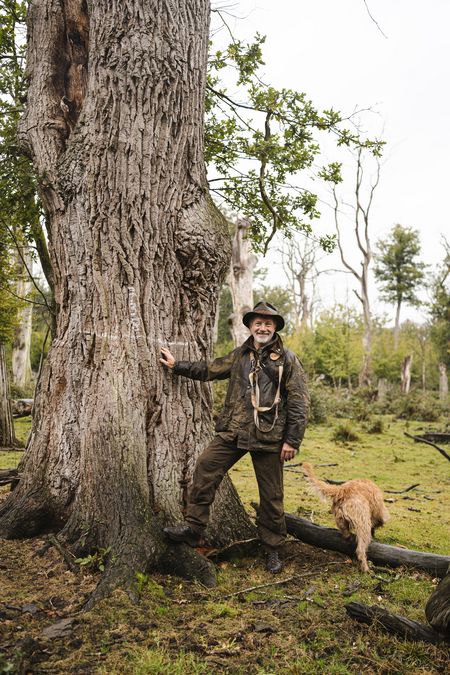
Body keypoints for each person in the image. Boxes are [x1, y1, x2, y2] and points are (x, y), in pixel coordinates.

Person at [160, 301, 309, 573]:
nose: (262, 327)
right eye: (258, 323)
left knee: (271, 495)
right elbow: (210, 370)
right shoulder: (241, 355)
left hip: (270, 436)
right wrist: (176, 365)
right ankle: (194, 529)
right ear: (251, 327)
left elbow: (299, 403)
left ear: (275, 327)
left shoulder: (288, 359)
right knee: (206, 466)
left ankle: (273, 550)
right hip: (235, 431)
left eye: (268, 323)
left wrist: (292, 441)